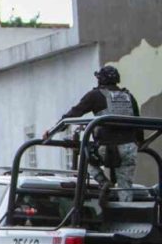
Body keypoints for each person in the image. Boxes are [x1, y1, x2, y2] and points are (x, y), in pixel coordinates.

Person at [51, 65, 141, 204]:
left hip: (107, 148)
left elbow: (74, 113)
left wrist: (52, 131)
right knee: (125, 186)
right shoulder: (128, 96)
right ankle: (125, 211)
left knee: (85, 157)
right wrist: (140, 143)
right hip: (129, 147)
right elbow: (138, 124)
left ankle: (103, 182)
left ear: (100, 80)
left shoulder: (95, 95)